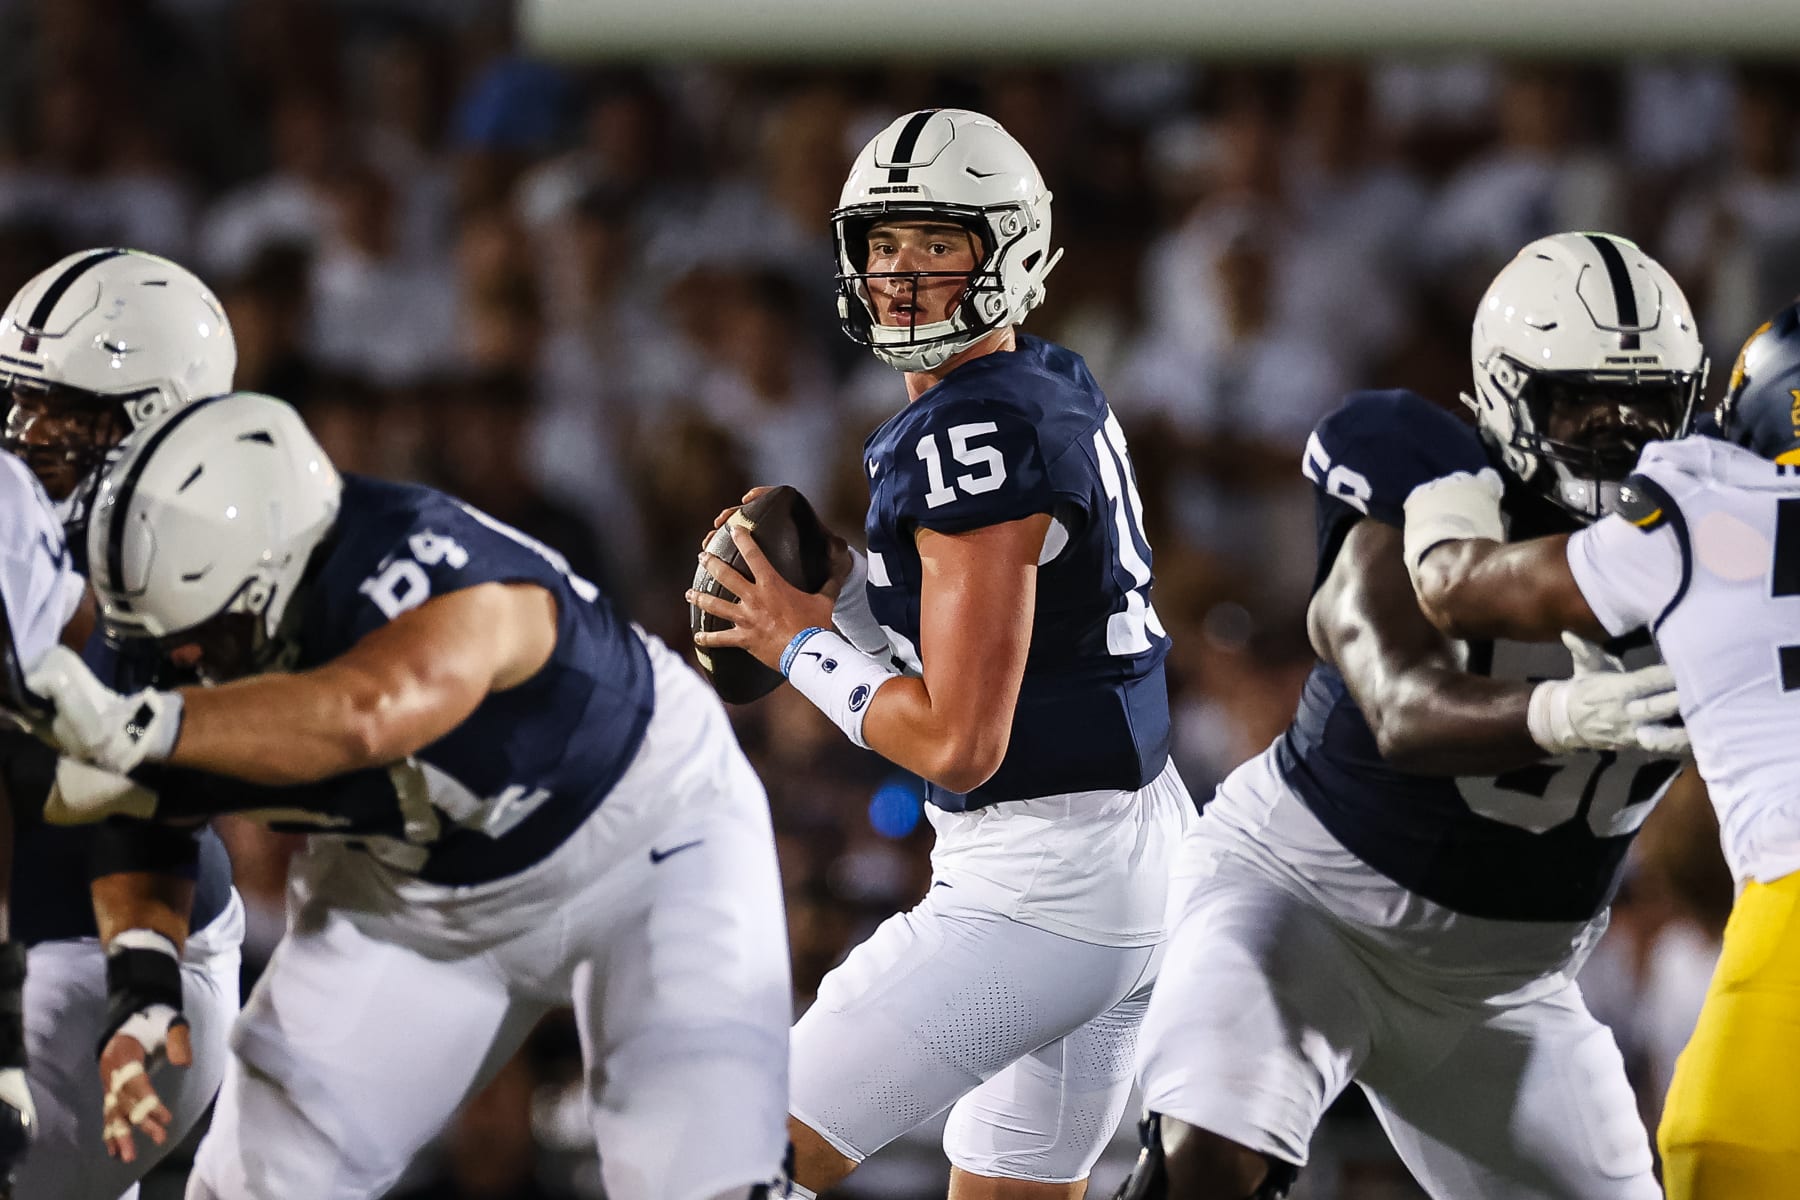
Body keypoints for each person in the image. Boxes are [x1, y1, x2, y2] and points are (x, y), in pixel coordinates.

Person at [27, 390, 793, 1200]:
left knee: (710, 1180)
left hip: (649, 833)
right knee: (256, 1184)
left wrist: (146, 727)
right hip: (416, 895)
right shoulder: (159, 646)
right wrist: (143, 978)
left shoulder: (421, 558)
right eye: (163, 643)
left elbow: (372, 711)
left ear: (275, 564)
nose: (189, 663)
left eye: (209, 634)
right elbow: (143, 821)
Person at [1114, 232, 1703, 1200]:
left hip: (1508, 988)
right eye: (1579, 401)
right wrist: (1558, 711)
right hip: (1303, 903)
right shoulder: (1422, 475)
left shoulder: (1721, 536)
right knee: (1204, 1168)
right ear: (1507, 396)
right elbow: (1399, 707)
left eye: (1643, 404)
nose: (1614, 434)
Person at [687, 107, 1192, 1200]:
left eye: (936, 244)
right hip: (1128, 854)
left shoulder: (970, 437)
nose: (900, 274)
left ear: (1006, 253)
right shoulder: (1040, 381)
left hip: (1040, 888)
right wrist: (854, 593)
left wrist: (800, 639)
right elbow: (1007, 644)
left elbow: (959, 739)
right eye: (881, 245)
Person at [1403, 302, 1800, 1199]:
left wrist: (1444, 522)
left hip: (1792, 892)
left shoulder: (1704, 498)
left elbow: (1467, 594)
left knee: (1718, 1152)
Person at [0, 248, 244, 1198]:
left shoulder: (199, 565)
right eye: (22, 398)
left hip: (125, 951)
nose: (31, 432)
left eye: (72, 413)